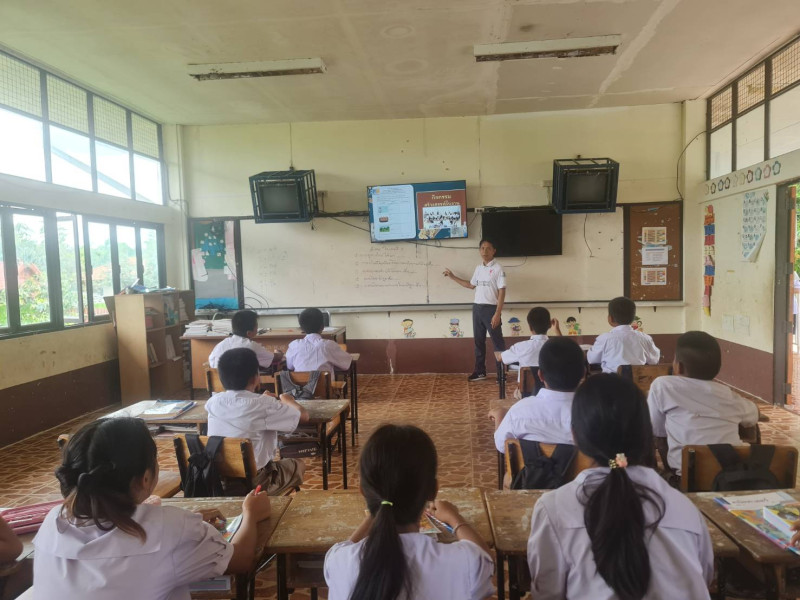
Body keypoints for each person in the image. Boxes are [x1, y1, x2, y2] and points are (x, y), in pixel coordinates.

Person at [33, 417, 272, 599]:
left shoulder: (53, 521)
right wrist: (250, 514)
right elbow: (240, 559)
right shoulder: (169, 528)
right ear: (145, 478)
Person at [527, 374, 713, 600]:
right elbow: (703, 578)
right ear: (646, 435)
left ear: (575, 435)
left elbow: (547, 593)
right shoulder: (684, 507)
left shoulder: (554, 509)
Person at [324, 424, 494, 600]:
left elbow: (345, 547)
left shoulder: (339, 561)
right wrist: (454, 518)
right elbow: (485, 559)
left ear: (362, 491)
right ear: (433, 491)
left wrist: (379, 509)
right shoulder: (462, 564)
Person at [648, 331, 759, 475]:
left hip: (686, 475)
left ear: (679, 366)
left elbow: (656, 429)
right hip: (730, 474)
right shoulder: (728, 395)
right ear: (718, 368)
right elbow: (754, 416)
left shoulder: (663, 386)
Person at [206, 348, 309, 495]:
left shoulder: (213, 402)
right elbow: (303, 416)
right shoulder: (264, 405)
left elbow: (243, 406)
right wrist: (288, 399)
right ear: (256, 378)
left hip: (220, 480)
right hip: (255, 482)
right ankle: (265, 501)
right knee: (298, 465)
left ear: (221, 379)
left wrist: (263, 400)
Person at [490, 337, 585, 451]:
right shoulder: (597, 413)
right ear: (583, 374)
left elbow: (502, 446)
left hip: (533, 463)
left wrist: (500, 415)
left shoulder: (519, 412)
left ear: (540, 375)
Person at [443, 238, 506, 381]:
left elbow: (502, 291)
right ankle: (480, 371)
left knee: (497, 342)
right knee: (479, 342)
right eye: (482, 248)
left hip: (491, 309)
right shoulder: (478, 268)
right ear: (479, 251)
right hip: (477, 308)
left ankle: (502, 374)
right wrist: (452, 277)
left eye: (488, 248)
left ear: (494, 251)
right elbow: (470, 285)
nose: (485, 251)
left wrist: (497, 313)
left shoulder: (498, 269)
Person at [586, 297, 660, 374]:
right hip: (637, 380)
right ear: (633, 318)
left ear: (610, 319)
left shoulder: (604, 339)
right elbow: (654, 360)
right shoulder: (645, 338)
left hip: (611, 380)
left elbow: (591, 359)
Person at [500, 307, 562, 382]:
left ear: (530, 327)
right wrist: (557, 330)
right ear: (549, 325)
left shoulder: (520, 347)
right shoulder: (557, 346)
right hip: (550, 388)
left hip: (526, 389)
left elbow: (501, 358)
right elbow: (566, 350)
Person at [286, 308, 352, 374]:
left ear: (301, 329)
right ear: (322, 327)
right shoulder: (329, 345)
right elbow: (346, 363)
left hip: (301, 381)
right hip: (324, 381)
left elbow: (289, 366)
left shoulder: (294, 345)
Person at [208, 310, 276, 370]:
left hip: (219, 380)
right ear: (249, 333)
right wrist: (279, 353)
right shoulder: (251, 346)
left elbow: (211, 361)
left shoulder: (220, 345)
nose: (257, 329)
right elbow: (273, 358)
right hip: (243, 380)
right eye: (256, 326)